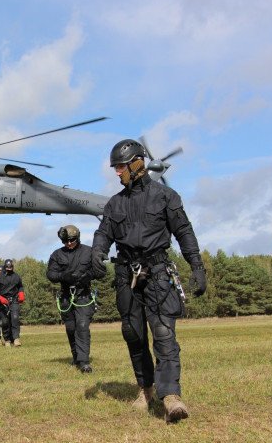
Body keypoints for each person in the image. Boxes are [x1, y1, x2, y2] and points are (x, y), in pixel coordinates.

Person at [91, 139, 207, 423]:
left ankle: (171, 397)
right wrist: (97, 253)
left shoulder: (166, 196)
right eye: (115, 167)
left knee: (164, 333)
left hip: (157, 274)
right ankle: (145, 389)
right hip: (125, 275)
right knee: (134, 334)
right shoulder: (114, 203)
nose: (117, 172)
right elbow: (103, 233)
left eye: (120, 166)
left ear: (136, 164)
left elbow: (184, 232)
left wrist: (197, 266)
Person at [46, 225, 95, 373]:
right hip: (66, 297)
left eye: (72, 240)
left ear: (78, 237)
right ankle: (76, 357)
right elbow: (50, 274)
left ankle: (84, 361)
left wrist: (88, 276)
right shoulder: (57, 255)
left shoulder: (89, 251)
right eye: (65, 241)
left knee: (82, 326)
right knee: (71, 328)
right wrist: (63, 276)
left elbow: (100, 270)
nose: (69, 243)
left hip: (84, 296)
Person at [0, 259, 25, 347]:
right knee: (5, 322)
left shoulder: (16, 276)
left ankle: (16, 339)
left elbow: (20, 286)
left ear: (12, 267)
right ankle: (7, 340)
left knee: (15, 317)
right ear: (5, 267)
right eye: (7, 268)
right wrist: (0, 297)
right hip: (2, 301)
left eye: (11, 268)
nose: (9, 270)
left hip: (14, 300)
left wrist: (21, 294)